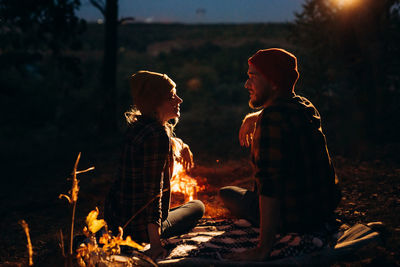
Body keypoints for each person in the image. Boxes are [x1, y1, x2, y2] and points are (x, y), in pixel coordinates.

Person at [220, 48, 341, 261]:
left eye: (252, 77)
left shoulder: (271, 121)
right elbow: (282, 107)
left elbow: (270, 188)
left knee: (227, 193)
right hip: (322, 210)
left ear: (273, 82)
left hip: (292, 218)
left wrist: (263, 248)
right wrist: (255, 116)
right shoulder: (305, 106)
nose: (246, 85)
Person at [104, 70, 205, 260]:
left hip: (118, 221)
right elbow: (153, 193)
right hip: (139, 231)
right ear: (156, 103)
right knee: (197, 207)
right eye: (171, 96)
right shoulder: (158, 136)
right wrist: (155, 244)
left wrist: (180, 144)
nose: (179, 100)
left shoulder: (138, 127)